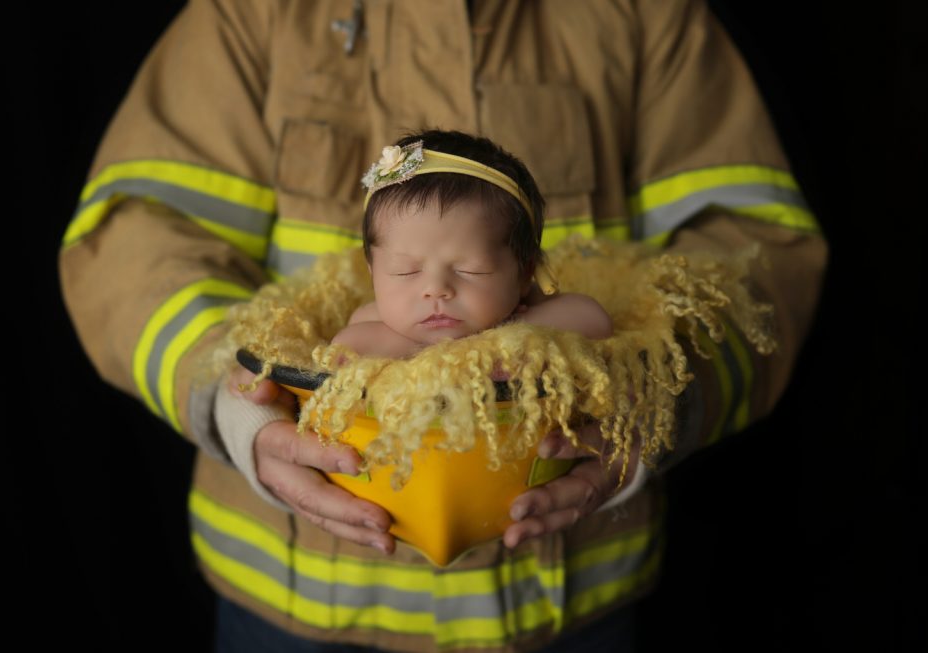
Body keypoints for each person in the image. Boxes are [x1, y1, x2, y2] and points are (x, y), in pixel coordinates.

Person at [58, 1, 828, 651]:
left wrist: (657, 399)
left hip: (572, 606)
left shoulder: (641, 14)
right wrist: (238, 404)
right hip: (292, 609)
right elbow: (134, 236)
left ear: (528, 276)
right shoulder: (248, 14)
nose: (435, 292)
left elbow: (753, 248)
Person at [331, 129, 613, 359]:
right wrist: (451, 350)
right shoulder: (378, 318)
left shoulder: (523, 307)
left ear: (524, 273)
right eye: (405, 271)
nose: (436, 290)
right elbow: (349, 345)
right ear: (374, 274)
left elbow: (594, 319)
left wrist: (505, 335)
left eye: (471, 270)